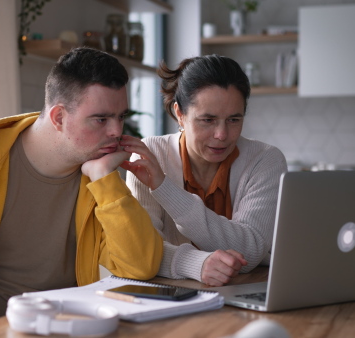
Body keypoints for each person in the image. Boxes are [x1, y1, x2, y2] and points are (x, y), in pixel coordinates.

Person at [0, 47, 163, 338]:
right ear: (59, 117)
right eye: (101, 119)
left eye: (120, 116)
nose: (117, 130)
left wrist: (105, 179)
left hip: (67, 330)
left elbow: (140, 266)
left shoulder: (97, 176)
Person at [121, 55, 287, 287]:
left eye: (234, 119)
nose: (222, 135)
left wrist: (163, 187)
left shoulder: (265, 160)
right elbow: (140, 251)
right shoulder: (151, 154)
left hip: (246, 291)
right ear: (179, 114)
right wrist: (196, 264)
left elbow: (249, 253)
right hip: (170, 297)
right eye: (207, 120)